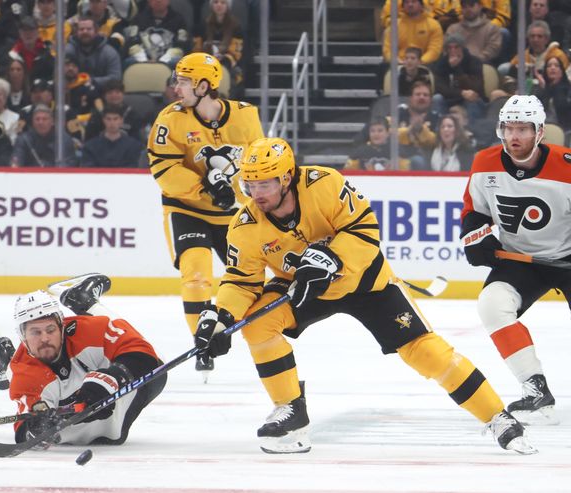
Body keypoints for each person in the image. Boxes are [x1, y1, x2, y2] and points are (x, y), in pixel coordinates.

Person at [193, 136, 535, 455]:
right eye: (249, 184)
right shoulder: (245, 224)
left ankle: (497, 417)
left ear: (285, 179)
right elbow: (240, 281)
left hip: (367, 282)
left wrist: (333, 258)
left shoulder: (323, 184)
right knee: (258, 325)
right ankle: (291, 413)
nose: (255, 193)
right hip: (305, 287)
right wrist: (221, 317)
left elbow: (365, 230)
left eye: (263, 184)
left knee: (426, 352)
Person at [147, 52, 264, 378]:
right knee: (196, 275)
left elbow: (259, 161)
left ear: (203, 84)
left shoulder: (245, 116)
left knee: (249, 279)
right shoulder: (170, 119)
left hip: (232, 214)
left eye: (183, 81)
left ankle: (258, 338)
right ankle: (202, 341)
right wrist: (205, 187)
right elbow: (162, 167)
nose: (175, 87)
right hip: (187, 209)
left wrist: (239, 189)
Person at [460, 95, 569, 426]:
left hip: (567, 256)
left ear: (539, 133)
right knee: (492, 306)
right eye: (508, 128)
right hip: (519, 260)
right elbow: (474, 211)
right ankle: (535, 388)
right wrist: (477, 240)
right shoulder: (484, 162)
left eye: (523, 128)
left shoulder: (567, 165)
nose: (514, 136)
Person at [0, 274, 166, 445]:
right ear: (23, 337)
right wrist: (37, 428)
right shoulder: (25, 374)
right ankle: (6, 357)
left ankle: (83, 300)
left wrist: (111, 379)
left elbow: (143, 352)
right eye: (35, 332)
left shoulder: (90, 331)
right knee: (22, 369)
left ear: (62, 326)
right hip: (82, 432)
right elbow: (26, 433)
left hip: (116, 416)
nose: (44, 338)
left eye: (50, 330)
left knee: (157, 366)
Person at [11, 104, 78, 167]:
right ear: (32, 122)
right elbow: (16, 162)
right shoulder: (23, 139)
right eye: (37, 119)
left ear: (52, 122)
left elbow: (70, 164)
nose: (40, 122)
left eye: (44, 119)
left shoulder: (63, 139)